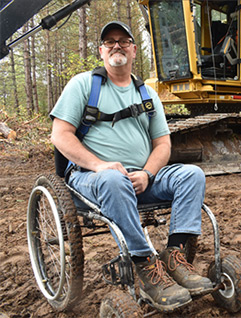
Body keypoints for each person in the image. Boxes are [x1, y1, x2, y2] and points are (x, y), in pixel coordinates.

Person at [50, 21, 211, 311]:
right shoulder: (83, 85)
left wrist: (148, 174)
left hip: (141, 178)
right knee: (113, 179)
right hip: (92, 178)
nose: (116, 45)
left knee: (192, 175)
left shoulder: (147, 94)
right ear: (101, 51)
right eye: (109, 41)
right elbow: (60, 135)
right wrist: (99, 165)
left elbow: (163, 145)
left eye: (123, 40)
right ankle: (145, 265)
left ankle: (174, 256)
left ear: (134, 50)